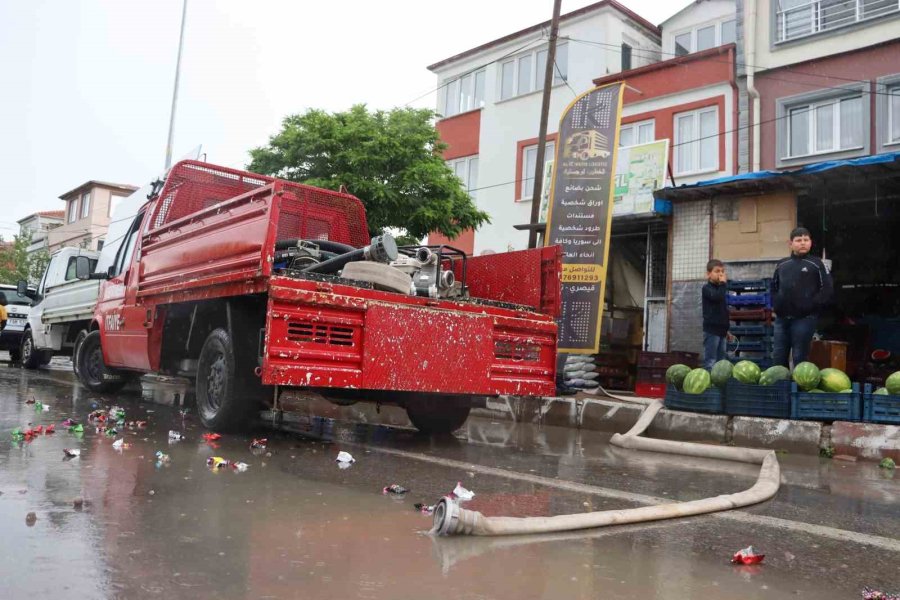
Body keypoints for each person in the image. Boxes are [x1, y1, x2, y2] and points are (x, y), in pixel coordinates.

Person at [772, 227, 833, 367]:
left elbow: (827, 289)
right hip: (782, 320)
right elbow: (773, 287)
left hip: (805, 319)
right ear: (790, 243)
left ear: (810, 242)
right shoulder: (782, 264)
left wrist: (811, 305)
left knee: (800, 358)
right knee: (778, 359)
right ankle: (781, 389)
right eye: (798, 240)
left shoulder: (817, 264)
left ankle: (798, 388)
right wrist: (776, 305)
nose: (803, 243)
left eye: (806, 240)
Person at [702, 259, 729, 369]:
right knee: (711, 361)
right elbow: (716, 297)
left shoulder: (721, 290)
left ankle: (719, 385)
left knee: (721, 362)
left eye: (722, 271)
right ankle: (709, 385)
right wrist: (723, 283)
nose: (721, 274)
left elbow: (722, 310)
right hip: (711, 331)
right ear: (708, 274)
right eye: (717, 271)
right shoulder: (707, 288)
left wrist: (727, 329)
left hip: (722, 331)